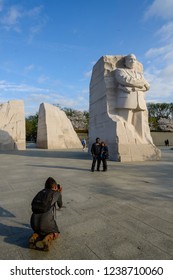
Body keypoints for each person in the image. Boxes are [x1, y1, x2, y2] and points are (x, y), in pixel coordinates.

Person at [114, 54, 150, 137]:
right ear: (125, 62)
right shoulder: (120, 71)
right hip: (126, 101)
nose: (133, 61)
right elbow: (125, 80)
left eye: (134, 59)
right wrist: (141, 83)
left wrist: (135, 87)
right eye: (130, 59)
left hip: (140, 102)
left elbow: (148, 86)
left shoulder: (140, 74)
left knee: (140, 128)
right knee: (125, 124)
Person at [29, 177, 63, 251]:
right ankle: (47, 239)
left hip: (33, 223)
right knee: (56, 233)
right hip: (46, 223)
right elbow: (60, 205)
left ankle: (34, 236)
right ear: (54, 186)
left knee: (39, 231)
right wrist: (59, 193)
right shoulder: (56, 193)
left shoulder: (40, 192)